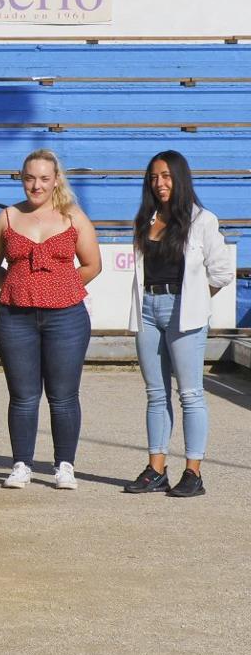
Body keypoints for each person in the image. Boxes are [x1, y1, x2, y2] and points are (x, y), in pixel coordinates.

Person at [0, 149, 101, 490]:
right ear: (21, 178)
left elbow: (93, 264)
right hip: (15, 318)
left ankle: (65, 465)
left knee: (63, 395)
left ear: (56, 180)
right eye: (30, 178)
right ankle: (21, 464)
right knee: (22, 395)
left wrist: (59, 288)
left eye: (44, 179)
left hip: (67, 318)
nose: (36, 185)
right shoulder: (6, 217)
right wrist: (18, 287)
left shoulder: (74, 216)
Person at [124, 151, 234, 498]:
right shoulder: (145, 219)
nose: (160, 183)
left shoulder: (202, 220)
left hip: (183, 311)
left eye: (167, 176)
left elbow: (223, 271)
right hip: (147, 308)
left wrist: (197, 300)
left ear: (181, 178)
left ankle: (193, 471)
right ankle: (156, 469)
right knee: (155, 393)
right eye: (154, 177)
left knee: (190, 394)